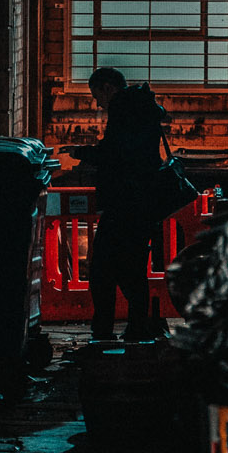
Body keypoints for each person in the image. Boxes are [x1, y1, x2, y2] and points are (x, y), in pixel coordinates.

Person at [68, 67, 166, 341]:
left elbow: (115, 154)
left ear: (108, 88)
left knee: (102, 270)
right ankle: (135, 327)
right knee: (131, 268)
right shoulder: (142, 109)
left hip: (125, 203)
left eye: (96, 95)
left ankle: (106, 330)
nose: (97, 103)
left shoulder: (123, 109)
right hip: (141, 202)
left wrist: (81, 152)